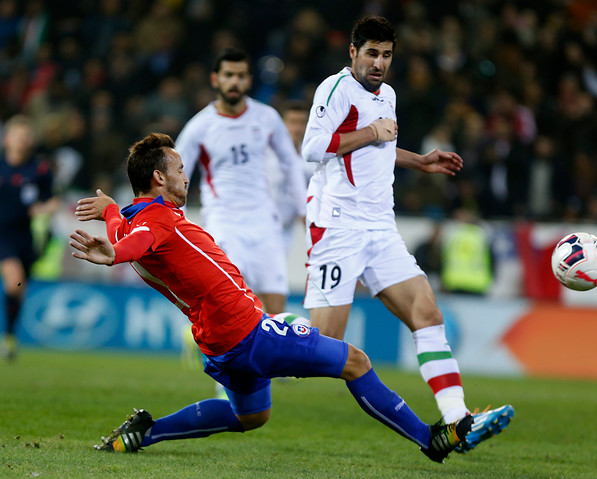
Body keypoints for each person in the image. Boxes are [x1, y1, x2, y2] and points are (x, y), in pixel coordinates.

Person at [70, 132, 472, 463]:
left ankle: (146, 432)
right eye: (178, 169)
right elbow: (135, 243)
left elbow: (127, 233)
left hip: (217, 340)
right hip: (247, 332)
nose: (185, 175)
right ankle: (429, 439)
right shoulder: (154, 221)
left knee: (252, 415)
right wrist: (113, 255)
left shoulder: (133, 218)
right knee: (355, 361)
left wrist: (109, 214)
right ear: (158, 178)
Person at [300, 16, 514, 453]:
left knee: (427, 314)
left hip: (381, 227)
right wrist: (370, 132)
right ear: (353, 52)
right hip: (338, 226)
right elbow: (311, 149)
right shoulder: (336, 89)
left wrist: (421, 161)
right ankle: (262, 332)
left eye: (386, 55)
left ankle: (459, 421)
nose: (379, 63)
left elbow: (378, 147)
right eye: (372, 53)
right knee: (324, 349)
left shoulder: (388, 94)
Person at [175, 48, 307, 315]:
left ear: (249, 81)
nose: (234, 81)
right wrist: (178, 222)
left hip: (265, 225)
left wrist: (305, 211)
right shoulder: (200, 126)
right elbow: (176, 175)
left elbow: (291, 163)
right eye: (228, 75)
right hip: (224, 225)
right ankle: (212, 352)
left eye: (241, 76)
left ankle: (270, 358)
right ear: (215, 80)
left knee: (276, 310)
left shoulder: (266, 117)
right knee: (232, 307)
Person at [0, 115, 59, 361]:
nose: (22, 141)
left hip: (27, 236)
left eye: (26, 136)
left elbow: (53, 199)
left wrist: (44, 209)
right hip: (3, 233)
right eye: (17, 135)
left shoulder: (40, 169)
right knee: (14, 280)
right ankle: (8, 338)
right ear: (7, 139)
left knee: (20, 288)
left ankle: (10, 336)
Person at [266, 99, 315, 252]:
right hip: (259, 226)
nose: (297, 128)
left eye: (302, 122)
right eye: (292, 122)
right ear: (282, 124)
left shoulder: (313, 158)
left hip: (286, 228)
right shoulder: (266, 153)